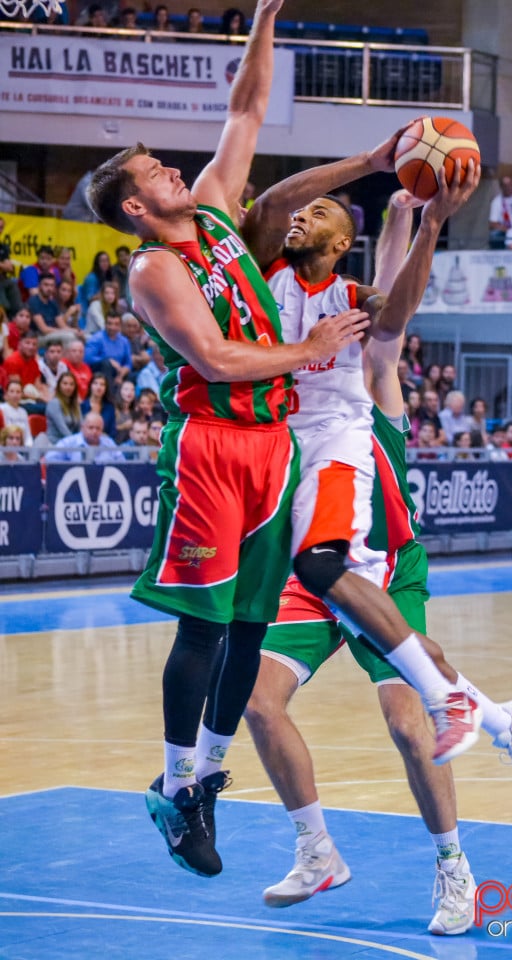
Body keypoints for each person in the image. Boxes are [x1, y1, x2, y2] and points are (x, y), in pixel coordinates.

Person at [242, 165, 512, 927]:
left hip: (379, 558)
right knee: (260, 701)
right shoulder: (278, 294)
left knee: (405, 723)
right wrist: (397, 207)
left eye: (319, 211)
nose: (301, 217)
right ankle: (319, 847)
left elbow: (393, 301)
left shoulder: (371, 361)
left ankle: (455, 867)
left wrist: (420, 222)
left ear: (342, 239)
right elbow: (275, 224)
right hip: (305, 545)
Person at [86, 0, 369, 881]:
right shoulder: (154, 268)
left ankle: (205, 777)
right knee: (204, 628)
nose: (176, 170)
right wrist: (311, 348)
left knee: (251, 624)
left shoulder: (212, 215)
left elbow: (244, 111)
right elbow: (212, 355)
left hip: (273, 444)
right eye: (156, 172)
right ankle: (176, 785)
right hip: (210, 446)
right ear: (136, 204)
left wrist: (263, 18)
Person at [44, 411, 125, 463]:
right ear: (82, 427)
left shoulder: (109, 443)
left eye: (98, 428)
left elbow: (123, 464)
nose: (94, 431)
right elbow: (49, 459)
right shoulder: (69, 442)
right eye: (91, 427)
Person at [84, 313, 132, 390]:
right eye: (110, 324)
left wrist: (121, 374)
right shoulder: (96, 338)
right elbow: (87, 358)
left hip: (118, 372)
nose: (112, 327)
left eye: (116, 324)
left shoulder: (124, 341)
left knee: (133, 375)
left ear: (120, 326)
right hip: (99, 371)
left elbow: (128, 363)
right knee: (106, 364)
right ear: (105, 324)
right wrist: (108, 360)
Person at [45, 370, 82, 444]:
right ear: (59, 385)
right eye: (65, 384)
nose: (68, 387)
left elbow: (81, 425)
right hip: (55, 443)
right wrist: (76, 442)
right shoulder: (54, 403)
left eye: (71, 384)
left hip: (70, 443)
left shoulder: (75, 404)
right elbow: (62, 428)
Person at [80, 372, 117, 438]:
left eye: (102, 384)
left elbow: (113, 432)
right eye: (95, 383)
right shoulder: (82, 406)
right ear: (90, 386)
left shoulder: (110, 408)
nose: (99, 387)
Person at [0, 377, 33, 446]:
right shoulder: (2, 409)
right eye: (12, 391)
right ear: (6, 394)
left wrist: (29, 448)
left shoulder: (23, 412)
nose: (15, 395)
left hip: (23, 448)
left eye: (18, 392)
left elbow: (28, 435)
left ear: (22, 394)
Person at [114, 378, 137, 443]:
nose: (129, 392)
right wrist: (123, 426)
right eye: (126, 389)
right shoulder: (114, 409)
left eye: (132, 390)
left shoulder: (135, 411)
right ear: (120, 391)